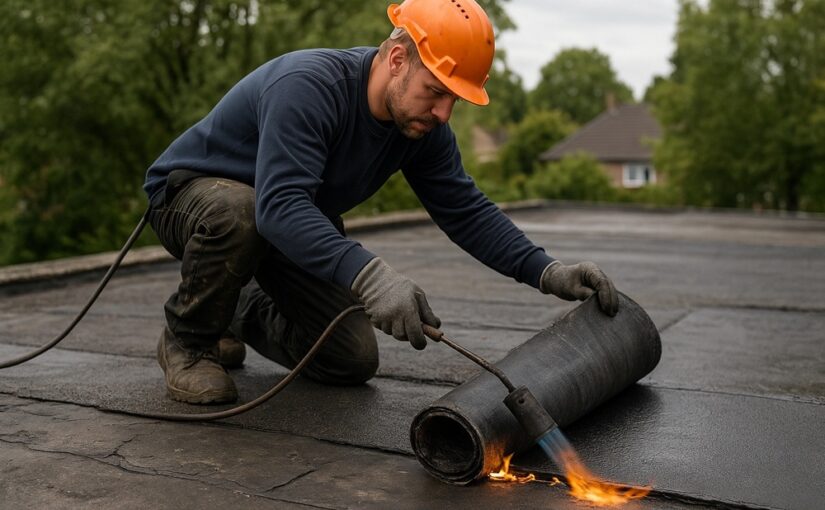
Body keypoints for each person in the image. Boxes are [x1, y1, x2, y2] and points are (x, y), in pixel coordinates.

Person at [143, 0, 618, 405]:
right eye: (436, 91)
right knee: (240, 211)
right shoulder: (308, 87)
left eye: (455, 100)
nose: (443, 113)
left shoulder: (421, 129)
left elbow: (466, 211)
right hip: (192, 199)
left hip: (277, 227)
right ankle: (188, 341)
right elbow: (280, 206)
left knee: (348, 358)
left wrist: (547, 271)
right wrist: (370, 276)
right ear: (396, 59)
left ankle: (227, 306)